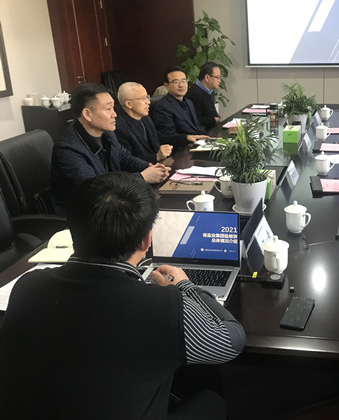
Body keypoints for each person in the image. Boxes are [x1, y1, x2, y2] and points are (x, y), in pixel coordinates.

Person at [0, 172, 246, 419]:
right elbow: (232, 340)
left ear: (72, 231)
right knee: (211, 401)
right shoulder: (162, 306)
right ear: (146, 240)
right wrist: (185, 285)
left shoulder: (27, 286)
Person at [51, 83, 170, 215]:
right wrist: (142, 177)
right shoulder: (68, 149)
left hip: (110, 204)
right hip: (84, 214)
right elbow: (95, 188)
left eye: (113, 108)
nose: (115, 114)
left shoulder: (108, 134)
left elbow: (125, 158)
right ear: (87, 114)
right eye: (108, 109)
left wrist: (150, 167)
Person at [115, 82, 180, 163]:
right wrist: (156, 157)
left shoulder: (145, 118)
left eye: (147, 97)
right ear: (129, 104)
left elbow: (159, 138)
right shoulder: (119, 127)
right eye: (143, 98)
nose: (148, 102)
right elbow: (126, 161)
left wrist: (186, 138)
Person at [153, 66, 210, 143]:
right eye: (176, 82)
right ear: (167, 86)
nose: (181, 85)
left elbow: (197, 126)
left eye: (183, 81)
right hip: (182, 147)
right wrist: (187, 138)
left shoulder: (189, 102)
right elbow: (168, 136)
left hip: (198, 142)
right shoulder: (162, 107)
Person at [186, 61, 222, 129]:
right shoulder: (194, 94)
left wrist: (216, 116)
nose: (219, 81)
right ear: (207, 77)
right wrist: (214, 120)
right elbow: (196, 120)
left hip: (212, 128)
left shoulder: (209, 90)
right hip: (202, 131)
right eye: (217, 77)